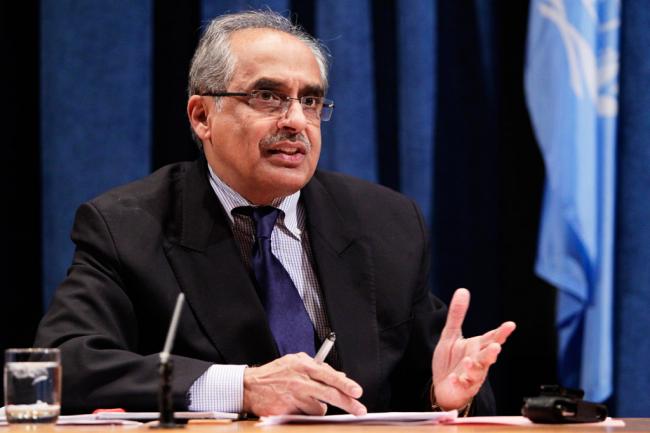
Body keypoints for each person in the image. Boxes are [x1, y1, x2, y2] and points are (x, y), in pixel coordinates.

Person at [35, 10, 515, 416]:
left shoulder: (385, 222)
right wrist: (240, 387)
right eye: (267, 97)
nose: (296, 121)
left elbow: (432, 380)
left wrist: (443, 396)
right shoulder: (127, 225)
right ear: (202, 117)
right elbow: (64, 366)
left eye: (311, 100)